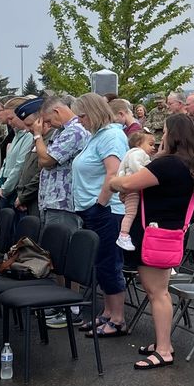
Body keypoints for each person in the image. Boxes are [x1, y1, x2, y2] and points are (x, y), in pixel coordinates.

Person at [110, 113, 194, 370]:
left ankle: (164, 349)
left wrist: (113, 180)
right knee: (157, 292)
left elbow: (128, 183)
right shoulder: (188, 164)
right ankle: (161, 343)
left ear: (172, 135)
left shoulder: (168, 165)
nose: (161, 136)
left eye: (164, 131)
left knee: (158, 293)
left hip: (155, 235)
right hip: (168, 232)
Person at [70, 92, 130, 337]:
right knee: (101, 263)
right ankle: (107, 313)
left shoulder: (112, 136)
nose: (79, 121)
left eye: (82, 116)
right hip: (94, 209)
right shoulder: (98, 135)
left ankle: (118, 319)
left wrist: (100, 204)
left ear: (94, 113)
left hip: (107, 211)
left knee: (108, 263)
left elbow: (113, 174)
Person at [30, 95, 90, 231]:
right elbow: (41, 161)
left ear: (57, 111)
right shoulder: (60, 132)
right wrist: (44, 157)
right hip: (51, 202)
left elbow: (46, 160)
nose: (48, 125)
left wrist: (38, 136)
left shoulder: (75, 131)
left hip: (64, 204)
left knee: (60, 247)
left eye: (49, 121)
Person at [115, 131, 155, 251]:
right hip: (133, 188)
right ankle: (124, 235)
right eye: (151, 144)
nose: (153, 147)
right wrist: (147, 174)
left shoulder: (131, 153)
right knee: (131, 212)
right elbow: (136, 166)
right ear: (139, 144)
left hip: (130, 187)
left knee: (131, 211)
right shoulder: (137, 153)